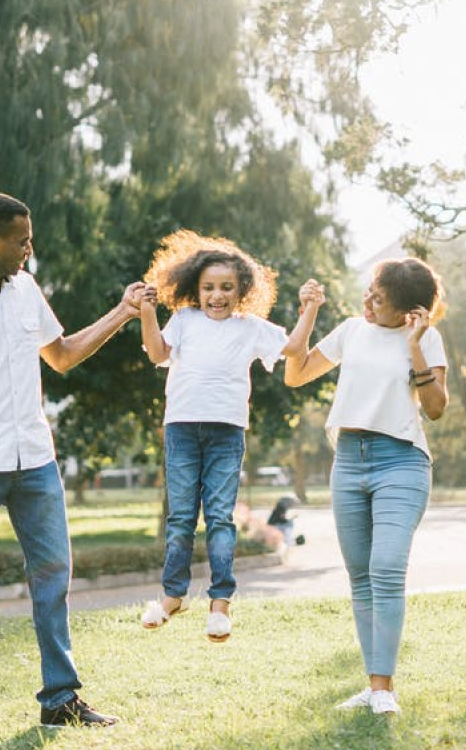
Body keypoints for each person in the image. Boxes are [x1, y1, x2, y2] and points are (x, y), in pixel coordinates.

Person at [0, 192, 138, 740]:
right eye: (23, 240)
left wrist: (124, 312)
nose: (30, 250)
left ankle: (60, 699)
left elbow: (61, 354)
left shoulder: (26, 289)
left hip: (34, 461)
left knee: (54, 576)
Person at [137, 229, 323, 642]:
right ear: (195, 289)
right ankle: (172, 596)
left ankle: (220, 605)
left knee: (220, 516)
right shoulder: (184, 320)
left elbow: (293, 348)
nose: (216, 296)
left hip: (226, 432)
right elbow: (156, 353)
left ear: (242, 291)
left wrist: (309, 308)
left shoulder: (251, 327)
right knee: (182, 517)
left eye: (226, 288)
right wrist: (147, 313)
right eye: (208, 288)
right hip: (182, 429)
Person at [284, 257, 448, 716]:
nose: (368, 302)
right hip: (349, 462)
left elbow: (435, 408)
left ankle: (383, 689)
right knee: (361, 579)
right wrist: (309, 312)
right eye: (370, 292)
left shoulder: (427, 337)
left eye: (380, 299)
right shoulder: (353, 330)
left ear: (409, 311)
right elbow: (295, 375)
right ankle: (375, 686)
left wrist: (414, 346)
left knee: (387, 567)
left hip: (402, 461)